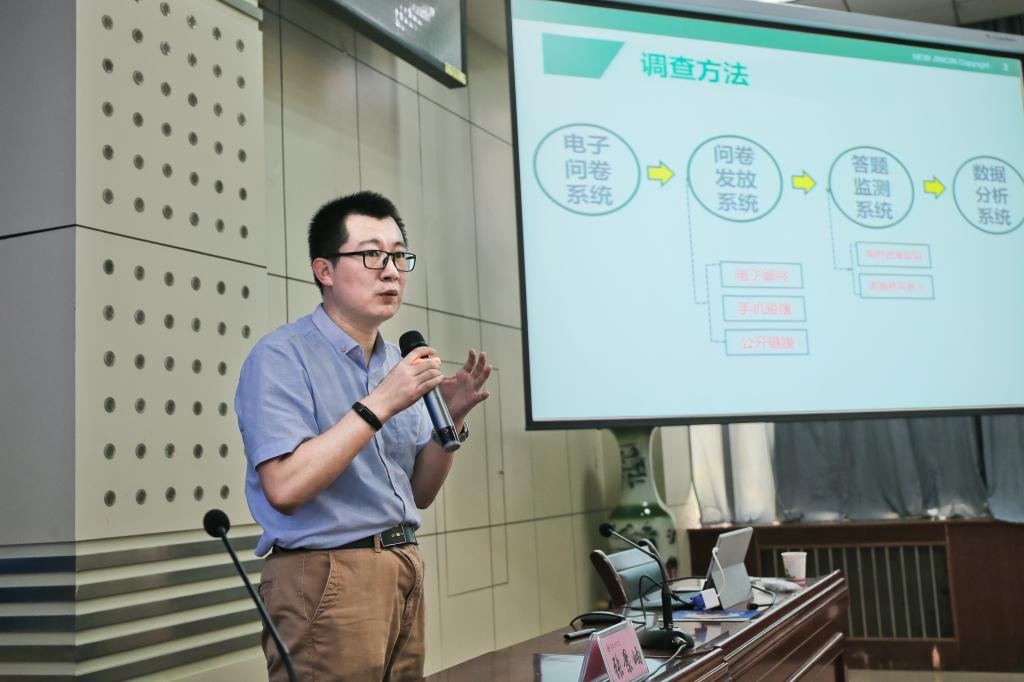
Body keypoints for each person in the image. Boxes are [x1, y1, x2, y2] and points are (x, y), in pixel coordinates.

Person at [235, 191, 492, 681]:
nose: (391, 271)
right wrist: (380, 403)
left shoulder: (397, 362)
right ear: (324, 270)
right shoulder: (281, 357)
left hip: (402, 563)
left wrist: (452, 420)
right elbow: (285, 488)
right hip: (327, 573)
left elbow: (419, 492)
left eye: (398, 256)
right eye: (372, 255)